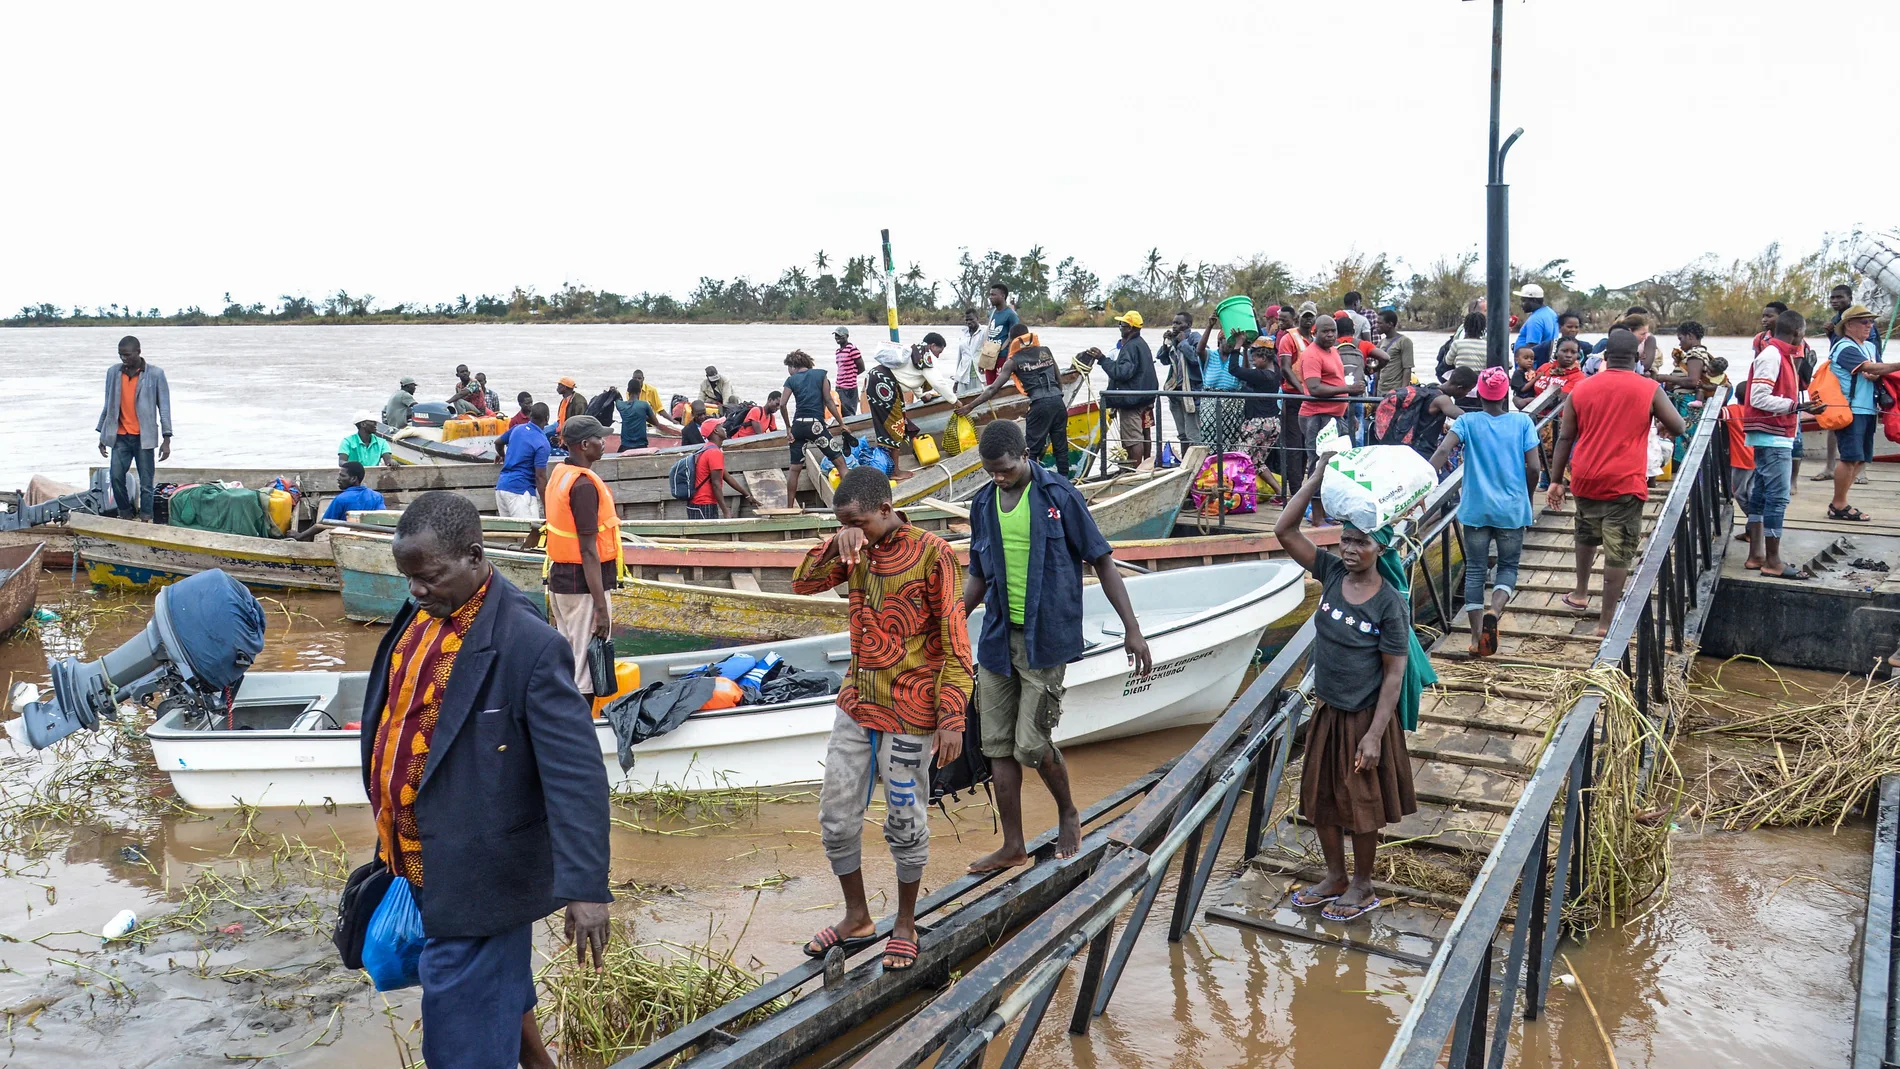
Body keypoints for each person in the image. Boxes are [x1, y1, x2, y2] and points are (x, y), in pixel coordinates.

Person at [362, 491, 610, 1069]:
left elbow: (575, 773)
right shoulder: (423, 615)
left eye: (426, 577)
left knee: (459, 1041)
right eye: (408, 579)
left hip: (481, 875)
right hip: (417, 862)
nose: (415, 591)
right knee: (494, 990)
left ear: (475, 557)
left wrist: (586, 886)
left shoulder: (528, 645)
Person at [792, 467, 973, 972]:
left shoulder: (933, 553)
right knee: (835, 816)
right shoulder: (853, 552)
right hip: (857, 703)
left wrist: (952, 715)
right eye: (843, 522)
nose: (854, 531)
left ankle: (906, 923)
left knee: (905, 821)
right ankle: (857, 917)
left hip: (912, 709)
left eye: (859, 521)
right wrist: (836, 541)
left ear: (887, 510)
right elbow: (803, 583)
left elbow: (956, 637)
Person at [962, 420, 1150, 873]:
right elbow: (978, 574)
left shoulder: (1059, 496)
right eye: (991, 471)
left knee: (1030, 744)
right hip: (996, 640)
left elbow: (1102, 560)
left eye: (1005, 469)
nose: (999, 478)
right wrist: (951, 619)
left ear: (1025, 455)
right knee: (997, 746)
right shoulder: (984, 502)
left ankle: (1068, 810)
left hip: (1045, 640)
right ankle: (1013, 846)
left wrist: (1133, 629)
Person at [1272, 464, 1418, 923]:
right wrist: (1315, 476)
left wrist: (1375, 735)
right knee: (1321, 798)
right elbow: (1284, 529)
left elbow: (1394, 674)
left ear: (1380, 548)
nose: (1352, 549)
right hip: (1328, 710)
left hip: (1365, 716)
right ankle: (1334, 876)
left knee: (1362, 804)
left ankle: (1362, 884)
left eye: (1362, 542)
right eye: (1347, 540)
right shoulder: (1331, 573)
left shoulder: (1389, 602)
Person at [1547, 329, 1688, 635]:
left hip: (1584, 477)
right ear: (1638, 359)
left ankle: (1581, 593)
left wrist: (1556, 481)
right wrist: (1659, 421)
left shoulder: (1582, 389)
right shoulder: (1649, 388)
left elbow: (1565, 437)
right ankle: (1606, 622)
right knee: (1619, 549)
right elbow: (1678, 425)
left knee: (1585, 532)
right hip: (1624, 482)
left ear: (1605, 358)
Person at [1429, 368, 1540, 658]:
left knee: (1476, 571)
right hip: (1512, 509)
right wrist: (1526, 497)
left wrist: (1422, 487)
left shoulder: (1467, 421)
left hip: (1476, 509)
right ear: (1505, 394)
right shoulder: (1522, 422)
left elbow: (1442, 453)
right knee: (1508, 567)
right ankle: (1496, 609)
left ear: (1479, 393)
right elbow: (1535, 468)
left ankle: (1477, 637)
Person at [1737, 309, 1820, 579]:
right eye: (1803, 334)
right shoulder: (1772, 356)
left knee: (1761, 496)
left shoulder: (1780, 355)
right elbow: (1759, 397)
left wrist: (1799, 405)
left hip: (1772, 435)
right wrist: (1796, 405)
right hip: (1773, 436)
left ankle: (1756, 555)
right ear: (1797, 333)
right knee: (1777, 498)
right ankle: (1773, 561)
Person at [542, 416, 620, 699]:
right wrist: (601, 608)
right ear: (585, 444)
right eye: (600, 438)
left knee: (571, 659)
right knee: (585, 674)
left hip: (562, 580)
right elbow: (589, 550)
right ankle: (579, 733)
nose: (604, 443)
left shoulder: (560, 473)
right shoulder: (583, 486)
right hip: (582, 587)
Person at [958, 324, 1070, 477]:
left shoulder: (1013, 361)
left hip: (1039, 405)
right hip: (1058, 402)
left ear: (1012, 340)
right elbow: (1059, 380)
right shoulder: (1045, 351)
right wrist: (1055, 401)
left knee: (1031, 451)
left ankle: (1031, 487)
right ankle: (1066, 484)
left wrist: (969, 406)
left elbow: (992, 388)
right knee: (1061, 448)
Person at [1827, 305, 1900, 521]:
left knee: (1861, 459)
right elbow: (1869, 367)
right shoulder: (1843, 347)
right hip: (1850, 409)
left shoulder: (1869, 346)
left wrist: (1876, 374)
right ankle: (1838, 504)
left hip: (1868, 408)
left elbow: (1874, 369)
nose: (1870, 326)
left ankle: (1840, 501)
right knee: (1850, 457)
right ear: (1849, 325)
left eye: (1871, 322)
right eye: (1864, 321)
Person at [96, 335, 172, 521]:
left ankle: (146, 517)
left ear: (138, 352)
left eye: (128, 355)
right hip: (120, 436)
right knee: (115, 477)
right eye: (121, 355)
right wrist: (102, 434)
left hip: (143, 438)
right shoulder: (113, 373)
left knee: (146, 483)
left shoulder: (155, 374)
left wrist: (167, 438)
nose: (124, 359)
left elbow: (164, 407)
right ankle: (126, 513)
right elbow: (108, 405)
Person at [783, 349, 850, 506]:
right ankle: (850, 502)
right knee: (841, 464)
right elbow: (828, 401)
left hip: (798, 426)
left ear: (793, 366)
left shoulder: (791, 380)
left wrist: (788, 428)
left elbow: (782, 404)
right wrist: (842, 424)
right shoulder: (821, 375)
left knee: (794, 469)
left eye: (789, 368)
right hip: (816, 426)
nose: (789, 371)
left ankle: (789, 507)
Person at [1098, 310, 1158, 468]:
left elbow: (1122, 373)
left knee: (1132, 440)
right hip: (1143, 398)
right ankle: (1142, 467)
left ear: (1130, 328)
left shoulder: (1131, 347)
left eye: (1122, 325)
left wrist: (1102, 359)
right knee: (1142, 435)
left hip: (1132, 400)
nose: (1119, 327)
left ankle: (1135, 471)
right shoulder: (1141, 344)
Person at [1227, 337, 1285, 494]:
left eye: (1255, 360)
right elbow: (1247, 374)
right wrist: (1246, 350)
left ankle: (1238, 493)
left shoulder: (1262, 376)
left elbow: (1234, 370)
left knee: (1240, 457)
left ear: (1264, 358)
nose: (1253, 363)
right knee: (1257, 461)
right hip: (1273, 423)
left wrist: (1237, 346)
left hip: (1258, 423)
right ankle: (1280, 492)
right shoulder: (1275, 371)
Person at [291, 462, 387, 540]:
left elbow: (323, 524)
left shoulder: (341, 499)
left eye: (342, 476)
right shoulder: (377, 496)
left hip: (347, 540)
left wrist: (300, 535)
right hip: (370, 539)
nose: (338, 479)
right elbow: (382, 519)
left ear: (353, 479)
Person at [1156, 310, 1204, 452]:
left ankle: (1197, 466)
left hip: (1191, 392)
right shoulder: (1174, 339)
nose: (1174, 326)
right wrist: (1166, 344)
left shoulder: (1194, 338)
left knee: (1192, 434)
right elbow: (1163, 360)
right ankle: (1184, 464)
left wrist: (1183, 342)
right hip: (1175, 393)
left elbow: (1197, 359)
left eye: (1178, 323)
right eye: (1173, 323)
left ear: (1188, 324)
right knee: (1182, 434)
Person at [493, 403, 552, 518]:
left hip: (501, 488)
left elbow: (498, 443)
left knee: (510, 534)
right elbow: (540, 477)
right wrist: (546, 505)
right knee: (530, 533)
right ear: (547, 418)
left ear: (530, 415)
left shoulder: (517, 429)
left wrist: (503, 455)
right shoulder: (542, 442)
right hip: (520, 492)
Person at [1195, 315, 1246, 447]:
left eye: (1232, 342)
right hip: (1210, 403)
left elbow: (1246, 372)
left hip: (1232, 405)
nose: (1230, 344)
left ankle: (1227, 466)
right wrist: (1210, 326)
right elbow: (1199, 350)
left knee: (1231, 439)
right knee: (1208, 438)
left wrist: (1244, 348)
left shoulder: (1237, 359)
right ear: (1219, 341)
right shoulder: (1210, 355)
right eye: (1226, 341)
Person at [686, 423, 753, 519]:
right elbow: (716, 484)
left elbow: (726, 476)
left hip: (697, 504)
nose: (725, 429)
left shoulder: (706, 449)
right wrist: (726, 511)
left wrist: (747, 495)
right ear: (716, 431)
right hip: (703, 504)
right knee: (707, 534)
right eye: (721, 427)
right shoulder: (714, 452)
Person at [985, 283, 1021, 385]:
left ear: (1003, 296)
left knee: (1000, 386)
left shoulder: (1011, 315)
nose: (991, 297)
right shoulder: (991, 313)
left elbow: (1014, 339)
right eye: (990, 295)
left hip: (1003, 356)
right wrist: (983, 360)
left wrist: (1008, 360)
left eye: (993, 295)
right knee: (989, 386)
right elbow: (989, 336)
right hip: (990, 356)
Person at [1511, 283, 1558, 356]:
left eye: (1523, 301)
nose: (1521, 304)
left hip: (1534, 366)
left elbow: (1532, 349)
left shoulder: (1535, 320)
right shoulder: (1551, 313)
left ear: (1534, 301)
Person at [1375, 309, 1414, 394]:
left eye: (1380, 323)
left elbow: (1407, 369)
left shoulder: (1404, 341)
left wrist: (1403, 393)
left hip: (1395, 391)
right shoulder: (1381, 342)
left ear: (1390, 324)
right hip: (1381, 391)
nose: (1376, 326)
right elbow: (1378, 370)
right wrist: (1374, 392)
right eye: (1376, 323)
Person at [833, 327, 864, 416]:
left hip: (849, 387)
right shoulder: (838, 351)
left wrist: (851, 376)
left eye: (840, 335)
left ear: (846, 336)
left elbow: (861, 367)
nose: (837, 337)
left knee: (849, 412)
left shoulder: (852, 349)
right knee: (840, 411)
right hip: (839, 387)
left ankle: (851, 428)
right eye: (836, 335)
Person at [1445, 311, 1488, 375]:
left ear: (1464, 326)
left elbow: (1448, 362)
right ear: (1483, 327)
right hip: (1479, 380)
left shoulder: (1457, 344)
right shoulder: (1487, 345)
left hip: (1460, 379)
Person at [955, 307, 986, 392]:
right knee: (963, 401)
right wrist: (956, 380)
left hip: (979, 375)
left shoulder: (984, 331)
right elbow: (960, 357)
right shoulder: (964, 334)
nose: (969, 322)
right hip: (963, 376)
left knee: (981, 401)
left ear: (977, 319)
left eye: (971, 319)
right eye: (967, 320)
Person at [551, 378, 586, 447]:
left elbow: (579, 424)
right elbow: (561, 420)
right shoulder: (564, 400)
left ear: (565, 387)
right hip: (563, 434)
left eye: (559, 385)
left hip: (574, 438)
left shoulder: (578, 402)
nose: (557, 388)